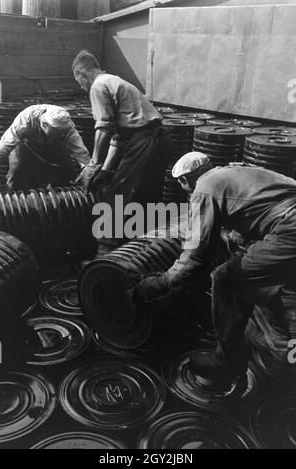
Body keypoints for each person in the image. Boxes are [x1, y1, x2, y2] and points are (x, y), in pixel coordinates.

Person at [132, 152, 296, 386]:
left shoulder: (204, 188)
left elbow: (195, 258)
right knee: (257, 278)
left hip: (290, 230)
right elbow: (253, 214)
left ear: (186, 179)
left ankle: (227, 360)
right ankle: (280, 350)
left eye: (182, 184)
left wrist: (155, 285)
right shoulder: (237, 170)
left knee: (225, 279)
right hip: (287, 224)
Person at [72, 50, 170, 207]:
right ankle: (148, 231)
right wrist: (104, 171)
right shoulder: (115, 81)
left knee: (116, 196)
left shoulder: (97, 86)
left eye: (79, 82)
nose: (82, 88)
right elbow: (117, 140)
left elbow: (104, 128)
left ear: (81, 73)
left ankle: (109, 231)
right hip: (161, 139)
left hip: (143, 141)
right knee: (148, 195)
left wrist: (93, 166)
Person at [0, 104, 91, 190]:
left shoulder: (66, 126)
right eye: (56, 131)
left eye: (61, 132)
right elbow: (5, 145)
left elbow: (80, 151)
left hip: (55, 145)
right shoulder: (25, 120)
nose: (60, 133)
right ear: (45, 125)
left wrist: (88, 169)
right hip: (25, 145)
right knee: (16, 173)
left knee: (66, 172)